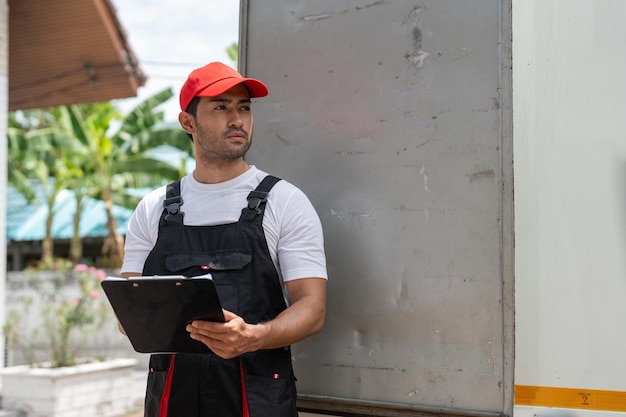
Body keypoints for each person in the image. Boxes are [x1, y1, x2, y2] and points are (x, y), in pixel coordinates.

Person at [120, 61, 328, 417]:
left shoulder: (284, 201)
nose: (237, 119)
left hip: (256, 396)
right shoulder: (153, 209)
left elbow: (313, 309)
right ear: (188, 122)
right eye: (221, 107)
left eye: (244, 108)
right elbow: (129, 311)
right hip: (173, 397)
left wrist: (254, 337)